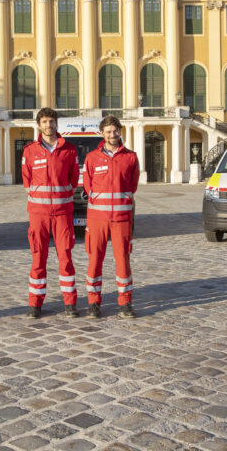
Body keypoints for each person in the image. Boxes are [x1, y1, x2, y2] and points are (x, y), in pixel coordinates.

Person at [22, 107, 79, 319]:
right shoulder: (29, 151)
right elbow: (27, 181)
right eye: (44, 121)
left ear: (57, 124)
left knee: (65, 258)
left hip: (63, 213)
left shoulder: (69, 150)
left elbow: (73, 180)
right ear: (39, 125)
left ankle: (70, 303)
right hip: (38, 214)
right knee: (38, 258)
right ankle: (34, 304)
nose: (48, 125)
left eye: (51, 121)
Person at [83, 115, 140, 319]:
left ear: (120, 131)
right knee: (94, 260)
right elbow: (88, 187)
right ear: (102, 133)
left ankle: (125, 303)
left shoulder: (131, 157)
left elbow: (132, 186)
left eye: (115, 131)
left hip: (121, 219)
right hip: (97, 219)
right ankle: (93, 302)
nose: (112, 134)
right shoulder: (91, 158)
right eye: (108, 131)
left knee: (123, 260)